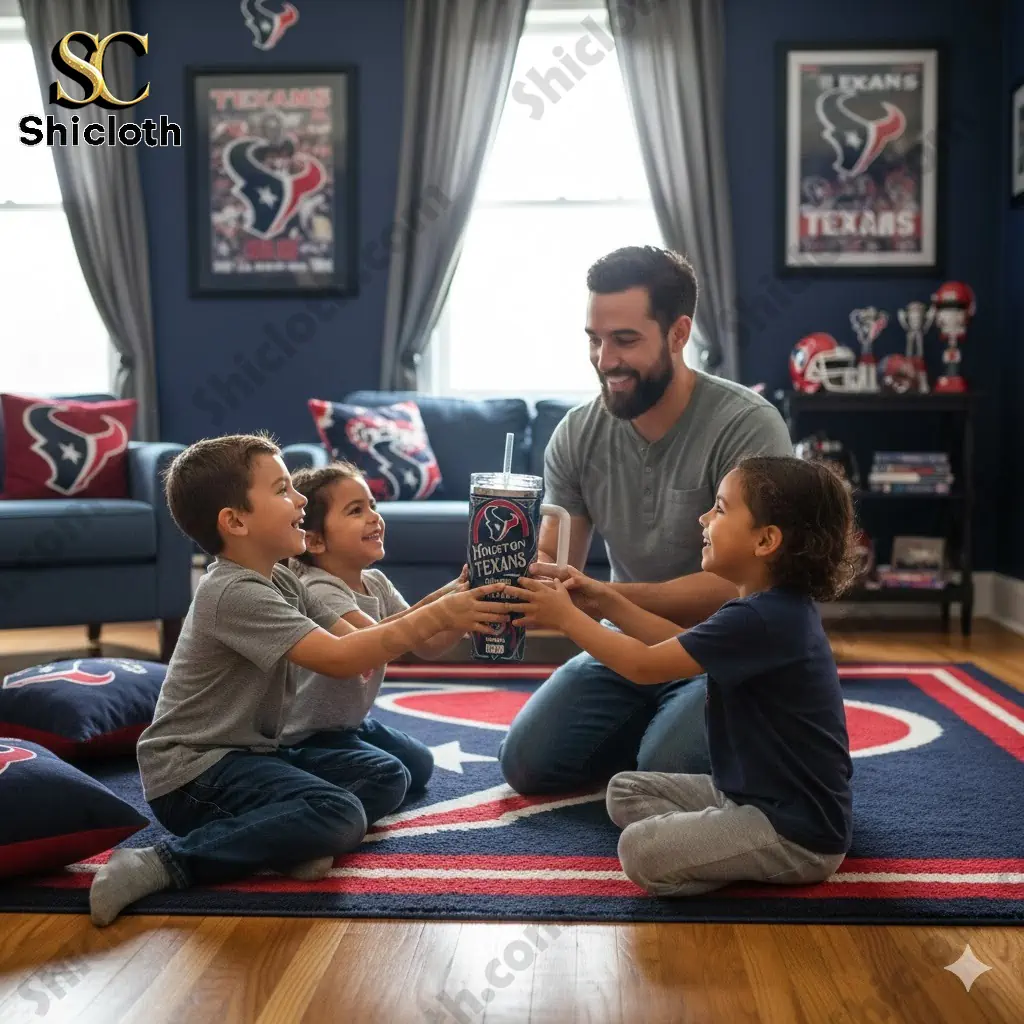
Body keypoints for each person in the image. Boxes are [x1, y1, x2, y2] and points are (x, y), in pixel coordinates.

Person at [88, 434, 508, 927]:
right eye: (284, 489)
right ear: (236, 521)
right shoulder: (232, 592)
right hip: (193, 774)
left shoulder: (282, 579)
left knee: (387, 775)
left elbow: (369, 635)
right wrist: (446, 609)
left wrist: (453, 600)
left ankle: (283, 837)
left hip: (249, 756)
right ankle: (165, 862)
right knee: (340, 813)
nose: (301, 499)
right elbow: (341, 656)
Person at [499, 245, 794, 795]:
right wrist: (501, 575)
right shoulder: (576, 433)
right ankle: (676, 735)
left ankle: (711, 731)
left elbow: (743, 586)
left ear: (679, 333)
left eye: (625, 340)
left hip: (723, 650)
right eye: (594, 338)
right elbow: (555, 560)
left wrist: (604, 597)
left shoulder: (749, 426)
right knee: (525, 766)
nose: (604, 359)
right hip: (622, 642)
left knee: (663, 773)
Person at [504, 456, 856, 896]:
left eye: (721, 509)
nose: (704, 517)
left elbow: (643, 665)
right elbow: (675, 642)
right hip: (749, 795)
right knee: (625, 790)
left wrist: (566, 618)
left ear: (766, 540)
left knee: (639, 852)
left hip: (796, 830)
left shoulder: (764, 619)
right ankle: (718, 842)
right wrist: (602, 599)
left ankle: (743, 856)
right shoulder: (766, 610)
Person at [280, 461, 472, 788]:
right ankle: (294, 782)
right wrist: (448, 606)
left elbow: (428, 644)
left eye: (373, 505)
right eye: (356, 510)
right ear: (314, 542)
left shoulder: (377, 583)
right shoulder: (318, 589)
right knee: (391, 777)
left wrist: (464, 604)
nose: (374, 517)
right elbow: (371, 643)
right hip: (303, 737)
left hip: (347, 725)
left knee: (419, 764)